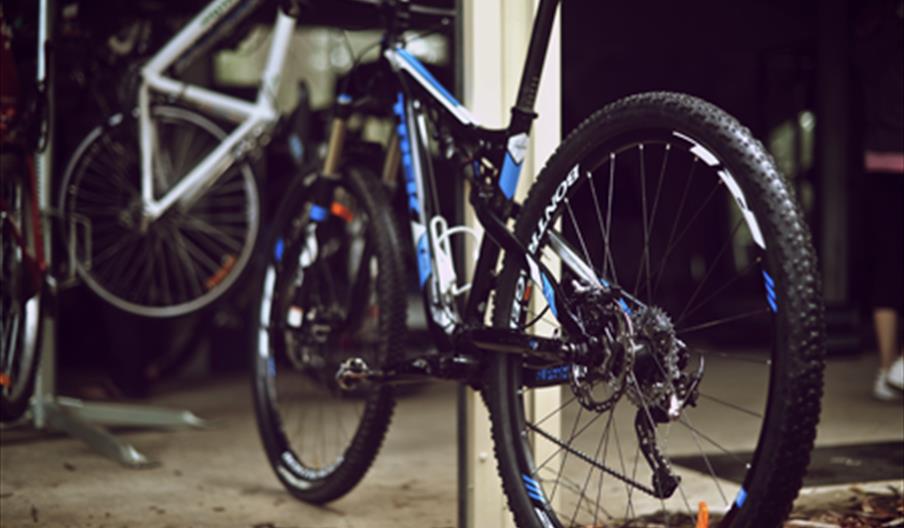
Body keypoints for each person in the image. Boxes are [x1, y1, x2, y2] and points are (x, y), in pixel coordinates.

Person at [854, 0, 904, 400]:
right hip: (894, 158)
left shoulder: (872, 37)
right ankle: (896, 366)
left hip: (878, 159)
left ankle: (888, 369)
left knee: (888, 263)